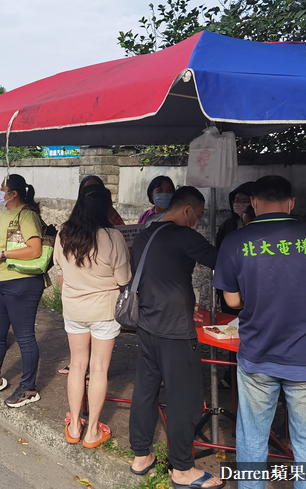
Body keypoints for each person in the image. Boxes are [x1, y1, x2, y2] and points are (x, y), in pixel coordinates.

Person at [213, 175, 306, 489]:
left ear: (254, 203)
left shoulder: (236, 241)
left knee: (252, 441)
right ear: (291, 203)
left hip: (257, 357)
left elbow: (232, 300)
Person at [129, 187, 223, 488]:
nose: (198, 220)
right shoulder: (184, 236)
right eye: (199, 213)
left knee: (145, 390)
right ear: (187, 210)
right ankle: (183, 470)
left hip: (146, 324)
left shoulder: (145, 234)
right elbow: (221, 260)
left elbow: (158, 276)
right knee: (185, 399)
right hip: (174, 331)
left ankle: (141, 455)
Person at [54, 185, 131, 448]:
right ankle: (93, 433)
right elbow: (123, 279)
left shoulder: (64, 233)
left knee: (77, 365)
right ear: (106, 208)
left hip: (74, 309)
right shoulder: (113, 237)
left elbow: (61, 270)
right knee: (98, 369)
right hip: (104, 311)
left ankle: (75, 425)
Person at [0, 174, 46, 408]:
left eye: (2, 188)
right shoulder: (6, 213)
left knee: (24, 336)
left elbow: (34, 250)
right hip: (2, 281)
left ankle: (29, 388)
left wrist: (3, 255)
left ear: (13, 193)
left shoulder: (27, 215)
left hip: (23, 283)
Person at [215, 181, 256, 317]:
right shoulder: (228, 224)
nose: (239, 205)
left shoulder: (262, 227)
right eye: (237, 201)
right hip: (231, 281)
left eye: (245, 201)